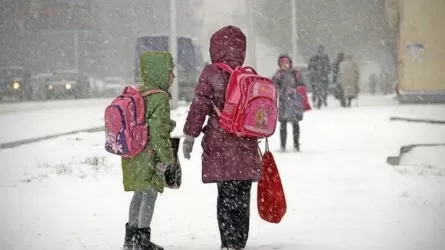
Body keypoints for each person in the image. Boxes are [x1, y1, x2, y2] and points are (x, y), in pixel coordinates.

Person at [182, 25, 261, 250]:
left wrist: (190, 134)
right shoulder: (248, 75)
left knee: (225, 196)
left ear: (215, 48)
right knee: (242, 197)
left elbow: (199, 106)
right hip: (246, 144)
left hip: (221, 144)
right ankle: (239, 241)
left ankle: (228, 241)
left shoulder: (211, 73)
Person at [121, 51, 176, 250]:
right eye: (170, 71)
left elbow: (144, 121)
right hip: (149, 154)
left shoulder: (139, 93)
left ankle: (131, 239)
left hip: (133, 153)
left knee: (138, 193)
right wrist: (167, 158)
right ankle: (143, 240)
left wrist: (165, 123)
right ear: (160, 72)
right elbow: (158, 133)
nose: (173, 76)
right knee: (150, 194)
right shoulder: (160, 98)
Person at [272, 54, 309, 152]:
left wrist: (295, 90)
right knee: (283, 124)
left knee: (295, 124)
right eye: (282, 63)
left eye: (286, 62)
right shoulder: (278, 74)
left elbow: (302, 85)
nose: (285, 65)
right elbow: (274, 85)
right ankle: (283, 145)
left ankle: (296, 145)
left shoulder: (295, 73)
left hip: (294, 102)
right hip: (284, 102)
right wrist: (281, 90)